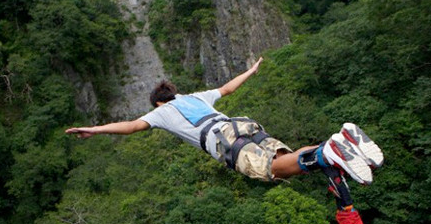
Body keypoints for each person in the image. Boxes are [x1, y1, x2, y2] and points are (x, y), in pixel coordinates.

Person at [65, 57, 383, 184]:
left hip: (223, 141)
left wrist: (95, 129)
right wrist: (252, 70)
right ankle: (336, 143)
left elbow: (132, 127)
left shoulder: (161, 110)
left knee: (271, 170)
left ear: (159, 101)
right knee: (285, 158)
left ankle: (329, 152)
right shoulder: (196, 96)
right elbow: (229, 87)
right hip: (242, 124)